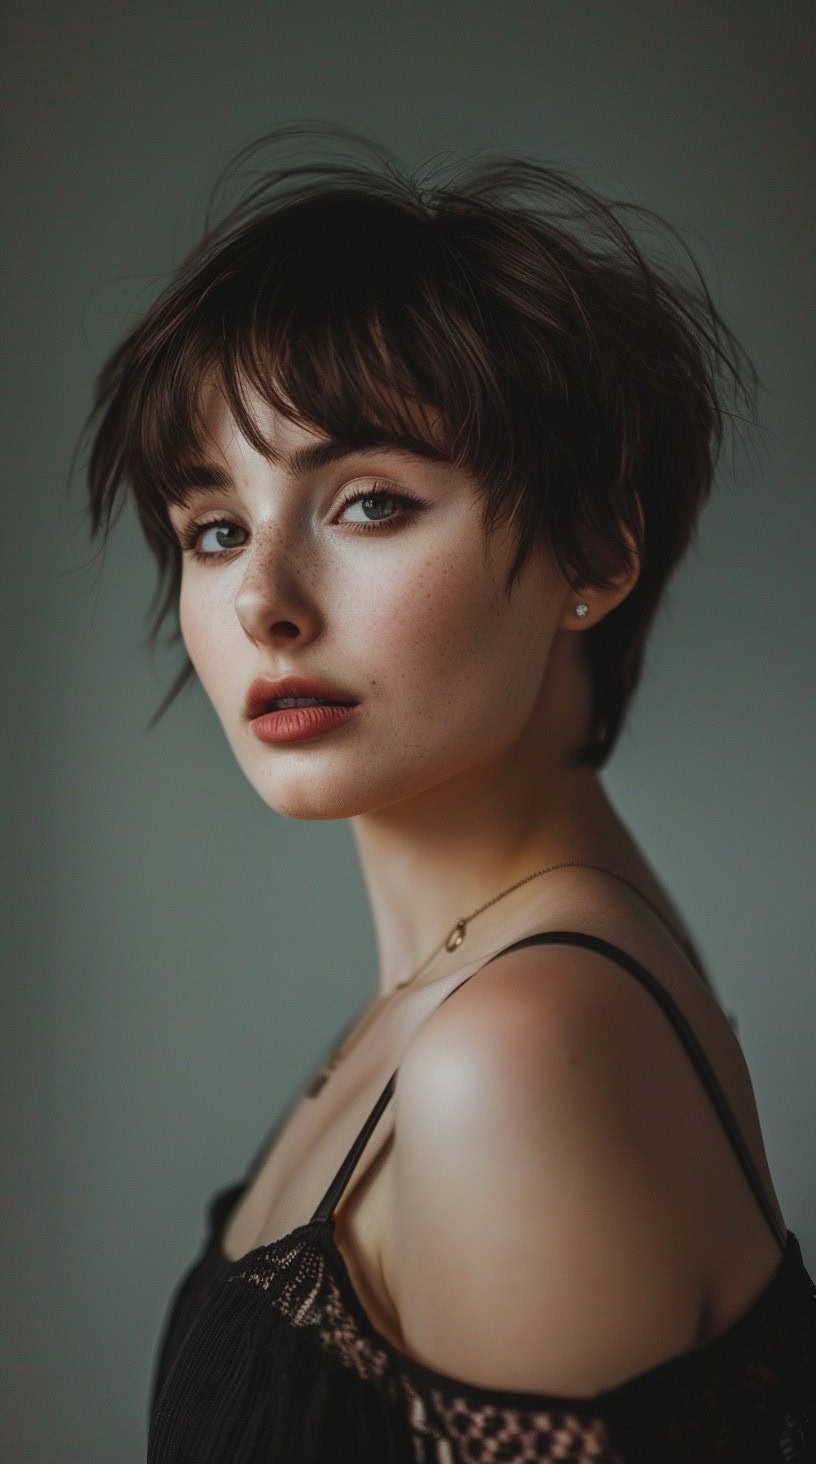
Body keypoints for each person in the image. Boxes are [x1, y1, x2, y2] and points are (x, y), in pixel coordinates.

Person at [75, 123, 815, 1462]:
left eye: (367, 503)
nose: (262, 603)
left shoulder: (517, 1047)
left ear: (592, 549)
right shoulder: (493, 979)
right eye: (216, 529)